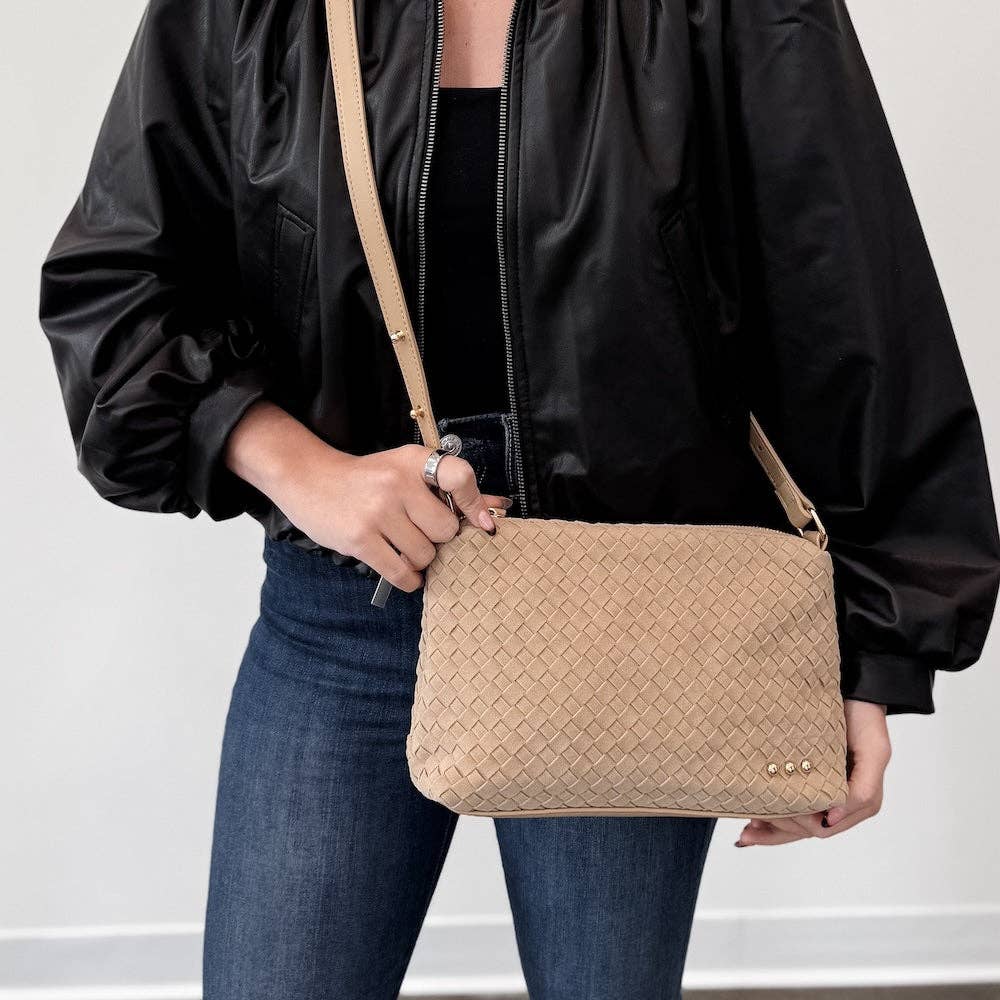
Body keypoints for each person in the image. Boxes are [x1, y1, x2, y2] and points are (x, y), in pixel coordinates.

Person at [38, 1, 1000, 997]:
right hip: (343, 603)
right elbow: (117, 290)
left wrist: (873, 655)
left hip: (633, 615)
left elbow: (848, 305)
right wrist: (305, 471)